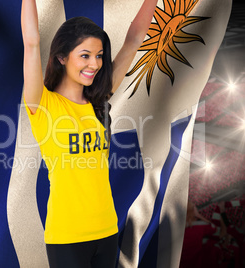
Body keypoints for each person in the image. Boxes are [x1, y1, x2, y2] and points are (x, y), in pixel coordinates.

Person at [21, 0, 157, 267]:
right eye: (85, 55)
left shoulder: (99, 102)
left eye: (99, 55)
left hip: (107, 229)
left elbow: (133, 41)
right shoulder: (43, 104)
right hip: (66, 237)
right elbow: (31, 43)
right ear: (61, 57)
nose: (94, 64)